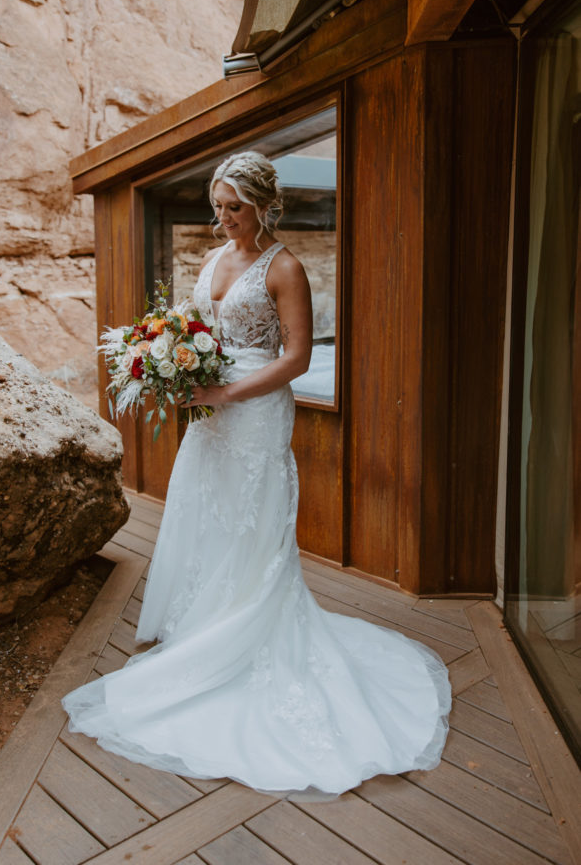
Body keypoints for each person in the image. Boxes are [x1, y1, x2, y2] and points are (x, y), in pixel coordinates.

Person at [62, 151, 451, 798]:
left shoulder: (286, 267)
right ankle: (202, 625)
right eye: (217, 208)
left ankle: (245, 627)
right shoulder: (214, 260)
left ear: (264, 205)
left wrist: (225, 394)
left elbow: (296, 358)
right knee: (204, 508)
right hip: (211, 411)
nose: (223, 220)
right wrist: (172, 361)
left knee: (253, 520)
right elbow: (195, 330)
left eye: (234, 208)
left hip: (255, 411)